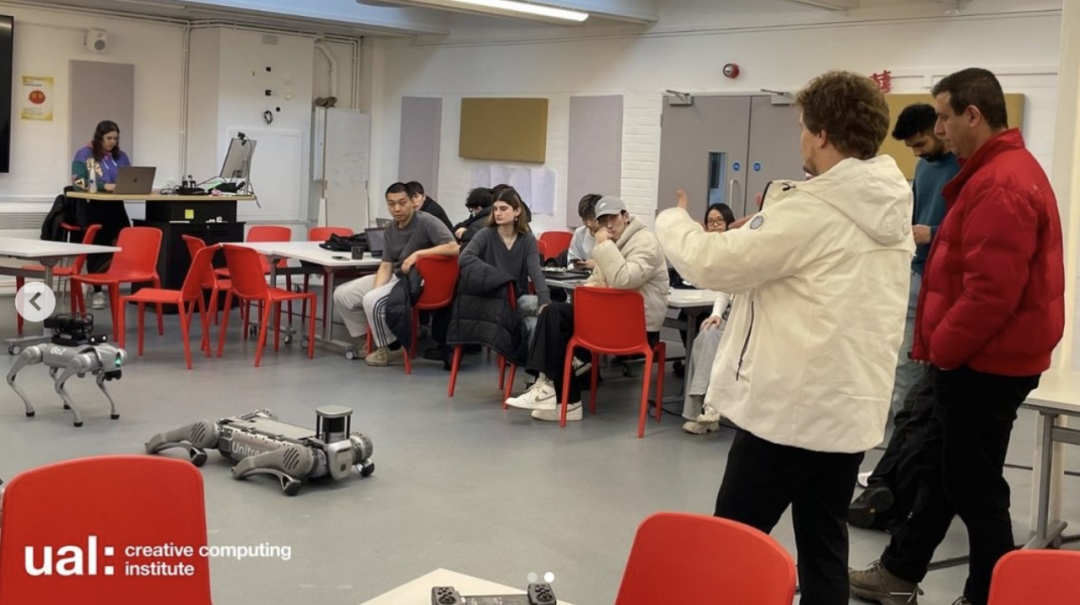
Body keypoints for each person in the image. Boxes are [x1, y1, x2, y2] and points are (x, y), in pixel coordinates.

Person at [657, 70, 913, 605]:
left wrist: (673, 220)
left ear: (821, 134)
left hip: (788, 413)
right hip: (846, 411)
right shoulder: (887, 202)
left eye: (801, 127)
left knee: (733, 541)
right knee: (824, 546)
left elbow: (711, 262)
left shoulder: (813, 210)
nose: (800, 138)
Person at [850, 68, 1064, 605]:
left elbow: (990, 292)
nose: (939, 129)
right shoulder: (997, 172)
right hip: (983, 358)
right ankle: (900, 572)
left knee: (974, 487)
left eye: (945, 117)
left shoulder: (1000, 183)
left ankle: (990, 594)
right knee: (944, 472)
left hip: (983, 364)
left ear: (973, 114)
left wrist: (942, 350)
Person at [849, 103, 960, 531]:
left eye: (920, 143)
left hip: (945, 283)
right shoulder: (924, 169)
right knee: (904, 379)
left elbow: (970, 228)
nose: (917, 152)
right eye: (911, 147)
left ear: (939, 128)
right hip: (915, 277)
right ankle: (897, 471)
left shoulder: (962, 168)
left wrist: (933, 234)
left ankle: (913, 476)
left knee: (928, 387)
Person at [505, 196, 668, 422]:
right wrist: (584, 302)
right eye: (603, 220)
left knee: (558, 320)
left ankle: (560, 393)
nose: (608, 225)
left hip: (637, 328)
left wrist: (604, 246)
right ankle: (552, 389)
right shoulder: (613, 243)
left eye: (613, 218)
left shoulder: (644, 242)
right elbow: (596, 280)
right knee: (553, 314)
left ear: (625, 216)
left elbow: (624, 279)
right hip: (610, 319)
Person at [334, 182, 459, 367]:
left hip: (416, 281)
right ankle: (367, 340)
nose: (397, 208)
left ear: (412, 202)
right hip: (396, 275)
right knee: (342, 294)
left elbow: (454, 247)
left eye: (402, 202)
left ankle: (390, 348)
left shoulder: (427, 221)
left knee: (372, 301)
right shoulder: (390, 229)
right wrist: (377, 289)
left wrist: (418, 254)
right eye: (391, 204)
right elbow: (386, 264)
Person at [457, 187, 550, 338]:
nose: (498, 213)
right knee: (539, 308)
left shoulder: (527, 239)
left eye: (503, 209)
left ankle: (529, 354)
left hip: (517, 298)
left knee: (537, 322)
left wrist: (545, 300)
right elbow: (464, 258)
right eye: (495, 209)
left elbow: (535, 271)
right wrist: (497, 275)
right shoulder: (486, 234)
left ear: (517, 211)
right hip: (492, 299)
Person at [680, 203, 735, 436]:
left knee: (710, 340)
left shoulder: (738, 249)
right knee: (706, 335)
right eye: (711, 221)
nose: (715, 226)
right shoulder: (706, 247)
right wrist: (715, 314)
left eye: (719, 221)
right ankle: (703, 410)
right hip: (728, 316)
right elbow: (725, 288)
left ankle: (706, 407)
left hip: (751, 322)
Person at [71, 119, 132, 310]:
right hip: (95, 208)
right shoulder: (84, 154)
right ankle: (97, 290)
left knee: (124, 244)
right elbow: (78, 182)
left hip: (117, 207)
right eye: (109, 138)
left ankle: (110, 282)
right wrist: (103, 186)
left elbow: (130, 178)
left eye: (115, 138)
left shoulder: (121, 156)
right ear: (100, 137)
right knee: (98, 248)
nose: (112, 142)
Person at [566, 193, 602, 268]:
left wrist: (596, 265)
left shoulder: (612, 234)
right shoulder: (579, 233)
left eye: (592, 219)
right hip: (582, 273)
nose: (588, 224)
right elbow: (571, 261)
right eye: (584, 219)